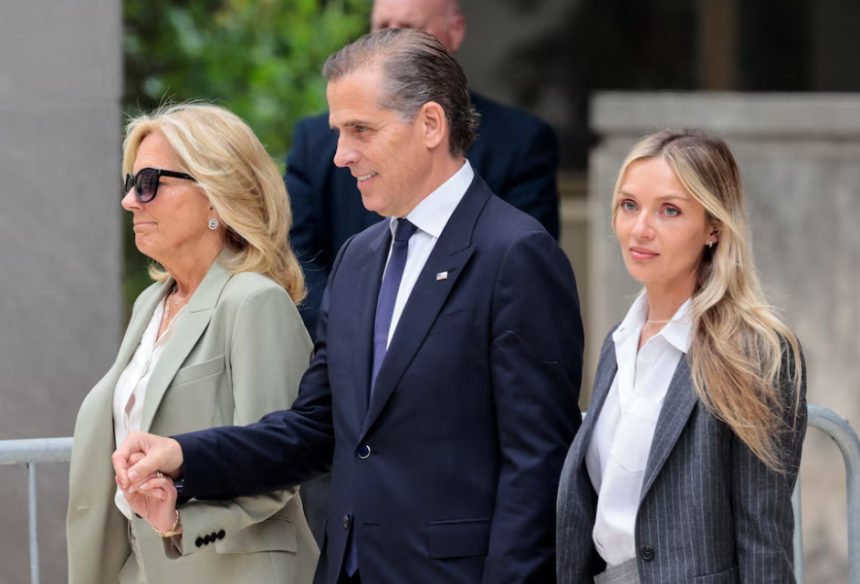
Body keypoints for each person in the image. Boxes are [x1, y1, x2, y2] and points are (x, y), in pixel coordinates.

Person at [113, 29, 583, 584]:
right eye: (339, 132)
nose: (341, 155)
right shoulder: (359, 257)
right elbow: (314, 429)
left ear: (431, 124)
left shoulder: (517, 255)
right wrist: (183, 456)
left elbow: (536, 468)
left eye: (361, 130)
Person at [67, 104, 319, 584]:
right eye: (130, 184)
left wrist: (181, 523)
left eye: (149, 183)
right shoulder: (151, 303)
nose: (130, 202)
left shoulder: (255, 302)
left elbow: (279, 460)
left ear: (215, 198)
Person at [556, 129, 807, 583]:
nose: (640, 229)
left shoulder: (756, 352)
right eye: (629, 205)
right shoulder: (619, 342)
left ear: (714, 227)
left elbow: (764, 537)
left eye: (669, 210)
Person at [289, 0, 561, 343]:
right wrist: (349, 342)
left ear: (455, 32)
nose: (343, 155)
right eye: (383, 27)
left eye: (410, 29)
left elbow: (521, 286)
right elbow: (296, 257)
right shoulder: (316, 146)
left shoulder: (521, 144)